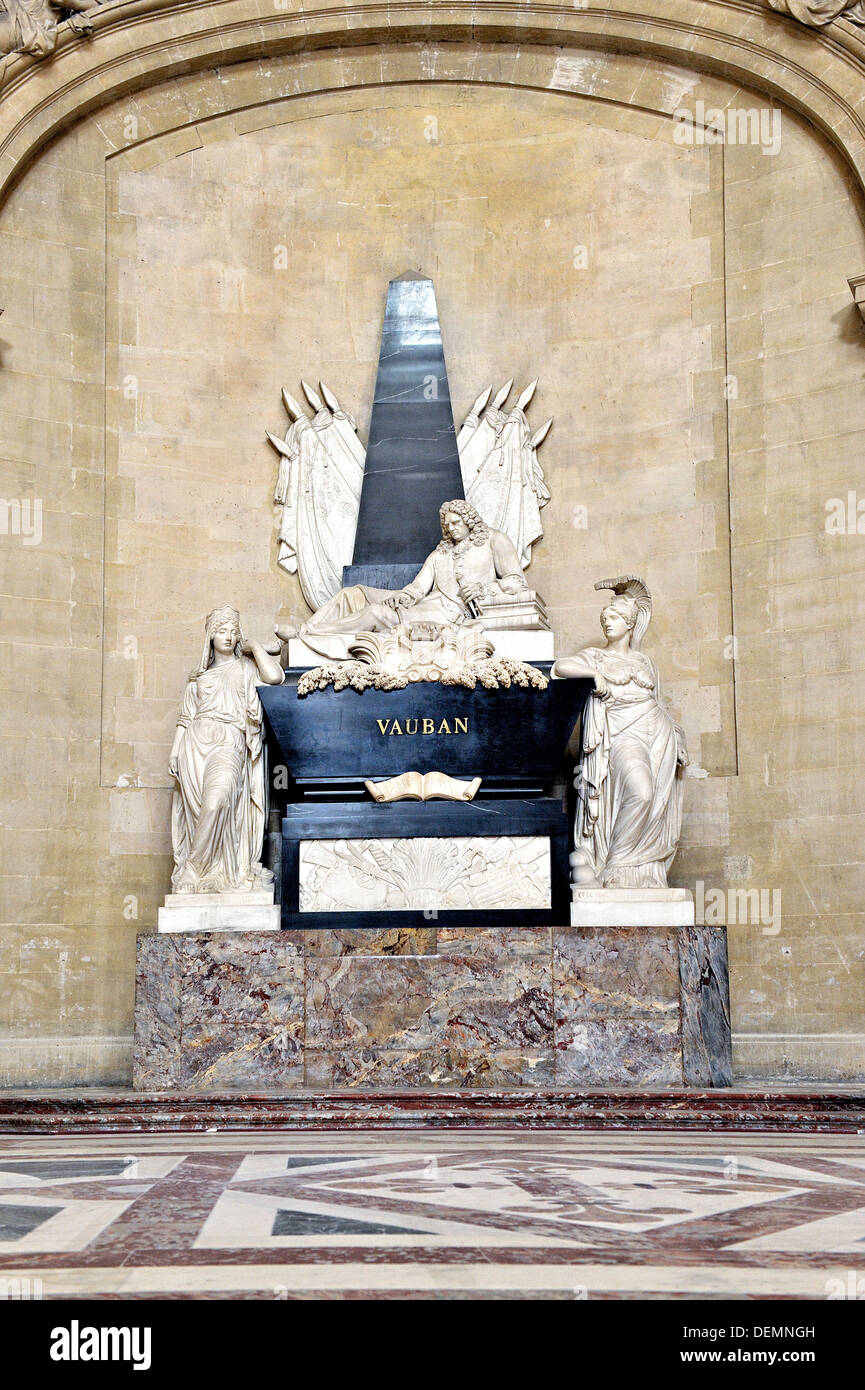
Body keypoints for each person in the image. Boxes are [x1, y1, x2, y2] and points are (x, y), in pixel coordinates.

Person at [552, 576, 688, 889]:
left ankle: (642, 872)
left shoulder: (645, 662)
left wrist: (677, 736)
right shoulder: (596, 656)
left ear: (629, 624)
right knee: (641, 792)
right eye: (605, 619)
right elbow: (560, 667)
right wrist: (594, 673)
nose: (607, 624)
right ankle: (618, 864)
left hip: (659, 734)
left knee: (656, 801)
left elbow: (659, 703)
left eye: (613, 618)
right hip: (623, 734)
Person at [277, 499, 528, 660]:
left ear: (469, 519)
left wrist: (486, 589)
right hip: (425, 603)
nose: (451, 528)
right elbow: (418, 587)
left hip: (450, 614)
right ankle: (305, 646)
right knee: (353, 593)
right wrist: (402, 597)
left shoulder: (494, 540)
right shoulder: (440, 553)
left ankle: (306, 633)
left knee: (376, 613)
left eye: (456, 522)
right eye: (447, 525)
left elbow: (517, 582)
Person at [169, 606, 283, 894]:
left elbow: (274, 678)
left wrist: (255, 647)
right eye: (222, 631)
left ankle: (193, 868)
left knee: (216, 802)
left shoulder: (245, 669)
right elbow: (185, 719)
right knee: (200, 811)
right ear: (210, 636)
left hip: (229, 741)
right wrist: (174, 752)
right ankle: (205, 873)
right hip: (194, 746)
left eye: (233, 631)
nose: (228, 636)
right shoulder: (198, 679)